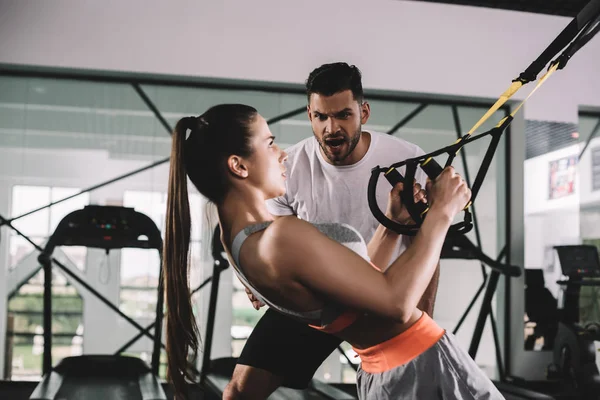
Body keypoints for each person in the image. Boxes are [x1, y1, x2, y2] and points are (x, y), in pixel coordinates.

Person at [162, 103, 505, 399]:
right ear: (239, 166)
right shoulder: (281, 237)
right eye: (269, 144)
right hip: (425, 366)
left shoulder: (236, 241)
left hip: (381, 374)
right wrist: (442, 212)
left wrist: (389, 225)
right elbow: (397, 304)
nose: (282, 154)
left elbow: (349, 292)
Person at [227, 62, 437, 399]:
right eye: (321, 117)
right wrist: (253, 280)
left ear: (363, 112)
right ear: (310, 114)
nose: (331, 128)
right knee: (240, 391)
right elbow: (266, 238)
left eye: (343, 115)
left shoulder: (407, 160)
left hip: (383, 298)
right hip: (318, 300)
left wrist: (422, 321)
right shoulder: (289, 167)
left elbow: (425, 247)